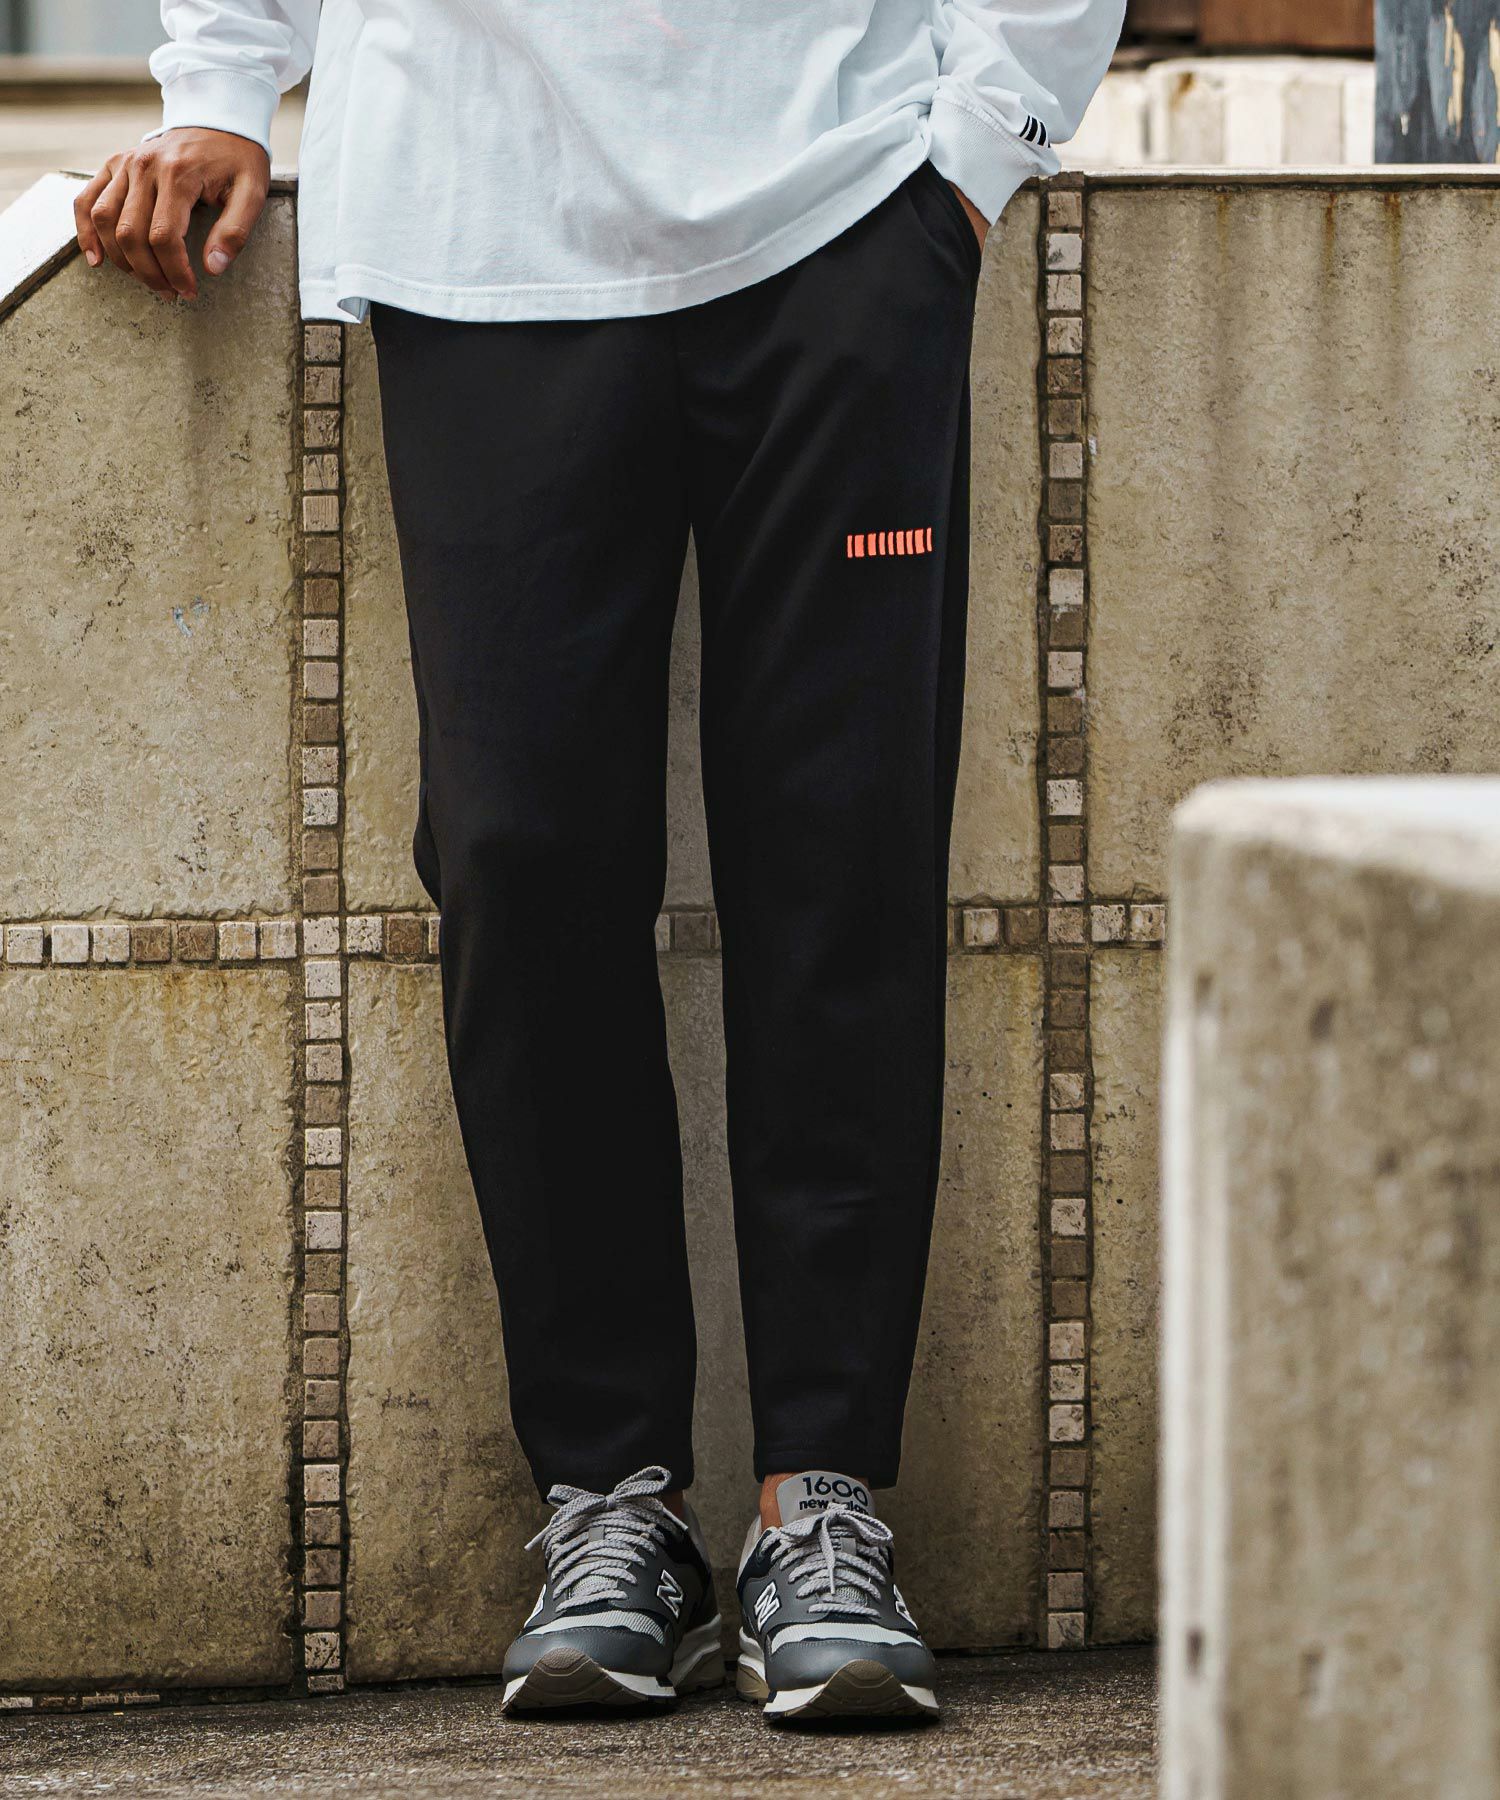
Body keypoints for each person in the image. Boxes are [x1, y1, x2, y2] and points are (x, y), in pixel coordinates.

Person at [78, 0, 1123, 1724]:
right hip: (480, 231)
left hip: (844, 213)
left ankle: (821, 1502)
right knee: (520, 863)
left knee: (842, 860)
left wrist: (983, 141)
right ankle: (611, 1499)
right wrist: (220, 83)